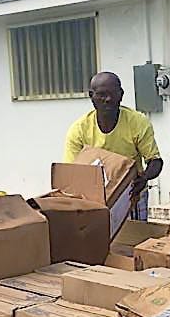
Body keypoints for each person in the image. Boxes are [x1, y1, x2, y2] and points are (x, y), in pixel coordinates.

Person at [64, 71, 163, 220]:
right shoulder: (79, 130)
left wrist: (144, 178)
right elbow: (71, 173)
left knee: (134, 240)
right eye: (102, 94)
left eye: (113, 94)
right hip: (93, 198)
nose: (108, 99)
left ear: (121, 94)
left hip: (131, 194)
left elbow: (155, 161)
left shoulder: (137, 122)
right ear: (91, 96)